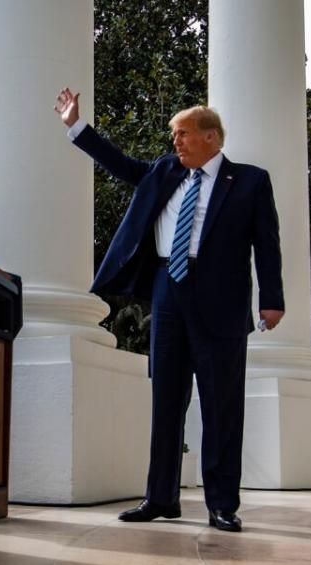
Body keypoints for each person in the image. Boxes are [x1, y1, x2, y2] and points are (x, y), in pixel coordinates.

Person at [53, 88, 284, 532]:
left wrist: (272, 299)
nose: (175, 142)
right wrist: (76, 127)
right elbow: (121, 165)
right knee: (165, 402)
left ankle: (221, 504)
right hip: (167, 292)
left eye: (182, 134)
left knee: (221, 406)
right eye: (173, 135)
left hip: (221, 299)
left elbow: (266, 245)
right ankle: (161, 498)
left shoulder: (251, 181)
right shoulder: (164, 171)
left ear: (211, 137)